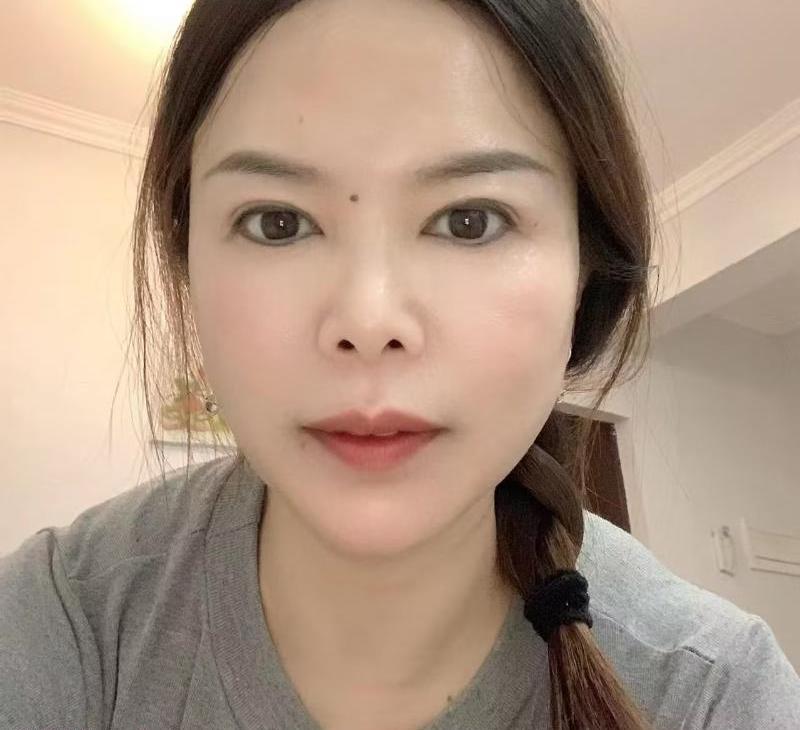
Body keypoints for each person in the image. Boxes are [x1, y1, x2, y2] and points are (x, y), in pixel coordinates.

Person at [2, 0, 799, 728]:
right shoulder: (61, 622)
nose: (368, 320)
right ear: (188, 271)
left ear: (585, 276)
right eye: (278, 222)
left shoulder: (714, 691)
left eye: (470, 220)